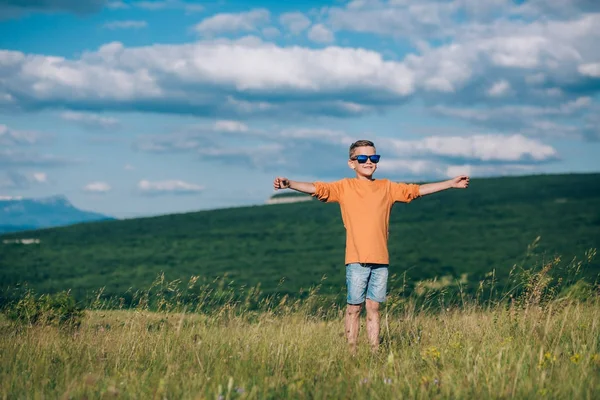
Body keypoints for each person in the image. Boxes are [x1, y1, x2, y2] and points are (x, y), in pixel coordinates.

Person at [272, 139, 469, 353]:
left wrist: (450, 183)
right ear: (352, 163)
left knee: (374, 308)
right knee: (354, 308)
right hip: (356, 259)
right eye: (363, 158)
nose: (369, 162)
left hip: (381, 260)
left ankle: (374, 351)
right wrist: (289, 183)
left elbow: (416, 191)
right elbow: (317, 189)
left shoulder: (386, 187)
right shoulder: (344, 187)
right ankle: (352, 351)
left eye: (373, 158)